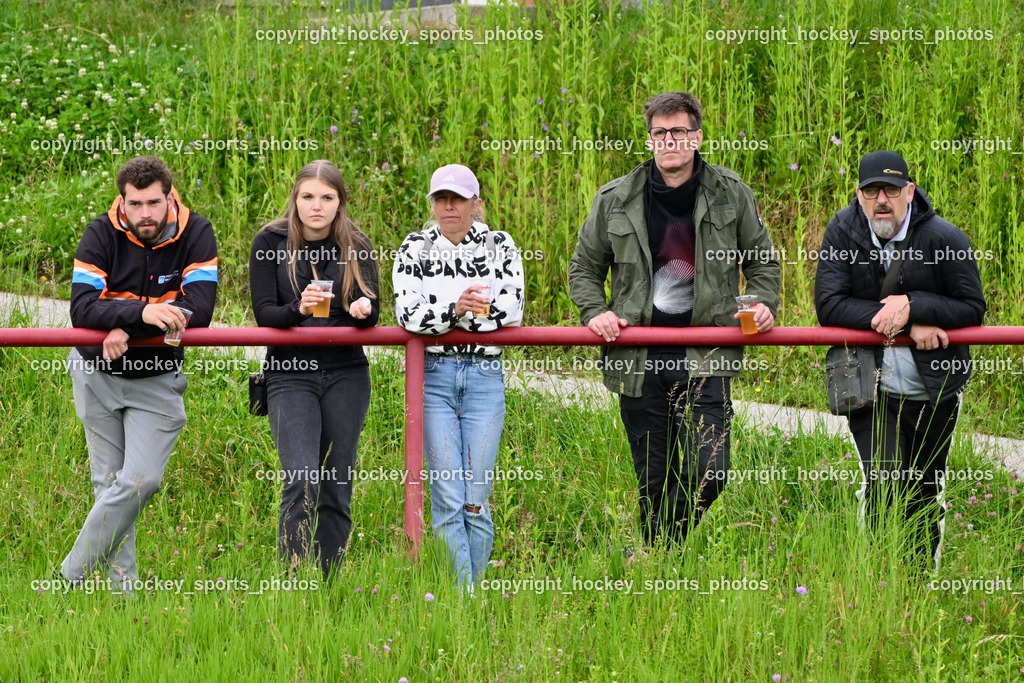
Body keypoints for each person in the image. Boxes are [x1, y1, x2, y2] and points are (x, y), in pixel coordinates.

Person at [568, 91, 780, 550]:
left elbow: (763, 263)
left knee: (712, 471)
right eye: (660, 133)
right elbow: (584, 268)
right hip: (639, 359)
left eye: (679, 131)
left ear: (697, 137)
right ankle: (661, 569)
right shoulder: (616, 199)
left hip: (706, 356)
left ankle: (656, 550)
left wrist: (762, 302)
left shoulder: (731, 193)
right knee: (654, 476)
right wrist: (595, 311)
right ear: (649, 141)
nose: (670, 141)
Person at [814, 150, 985, 570]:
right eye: (871, 191)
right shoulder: (842, 231)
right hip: (870, 386)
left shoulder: (944, 238)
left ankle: (918, 583)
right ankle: (876, 581)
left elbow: (972, 307)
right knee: (884, 482)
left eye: (890, 189)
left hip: (935, 387)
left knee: (925, 490)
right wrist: (906, 325)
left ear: (909, 191)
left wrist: (915, 304)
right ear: (858, 195)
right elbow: (829, 305)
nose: (881, 200)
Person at [60, 156, 218, 593]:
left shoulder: (197, 232)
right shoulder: (100, 232)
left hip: (156, 378)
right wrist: (143, 311)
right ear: (122, 201)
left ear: (170, 196)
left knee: (140, 480)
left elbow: (199, 311)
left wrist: (122, 321)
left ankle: (70, 575)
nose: (144, 214)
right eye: (135, 204)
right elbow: (80, 309)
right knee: (108, 483)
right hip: (98, 371)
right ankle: (122, 590)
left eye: (153, 202)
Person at [393, 164, 525, 588]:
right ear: (431, 203)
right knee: (448, 494)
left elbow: (512, 311)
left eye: (458, 198)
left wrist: (454, 318)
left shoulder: (500, 245)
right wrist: (457, 309)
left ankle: (471, 592)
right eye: (440, 199)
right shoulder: (414, 247)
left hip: (484, 375)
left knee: (475, 496)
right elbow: (408, 315)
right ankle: (466, 599)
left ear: (476, 204)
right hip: (433, 376)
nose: (448, 206)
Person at [249, 160, 379, 578]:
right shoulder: (270, 241)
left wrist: (363, 309)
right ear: (295, 198)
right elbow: (264, 314)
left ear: (340, 202)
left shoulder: (356, 243)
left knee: (337, 484)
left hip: (346, 373)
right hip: (290, 374)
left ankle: (328, 581)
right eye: (308, 197)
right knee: (300, 479)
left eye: (327, 198)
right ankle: (292, 577)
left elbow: (372, 310)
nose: (316, 206)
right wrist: (297, 309)